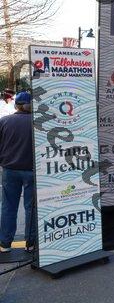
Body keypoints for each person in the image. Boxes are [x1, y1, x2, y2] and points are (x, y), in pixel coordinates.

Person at [0, 92, 35, 253]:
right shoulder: (37, 123)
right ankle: (31, 243)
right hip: (32, 171)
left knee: (8, 206)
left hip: (9, 170)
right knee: (31, 208)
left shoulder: (4, 121)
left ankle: (5, 243)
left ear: (16, 105)